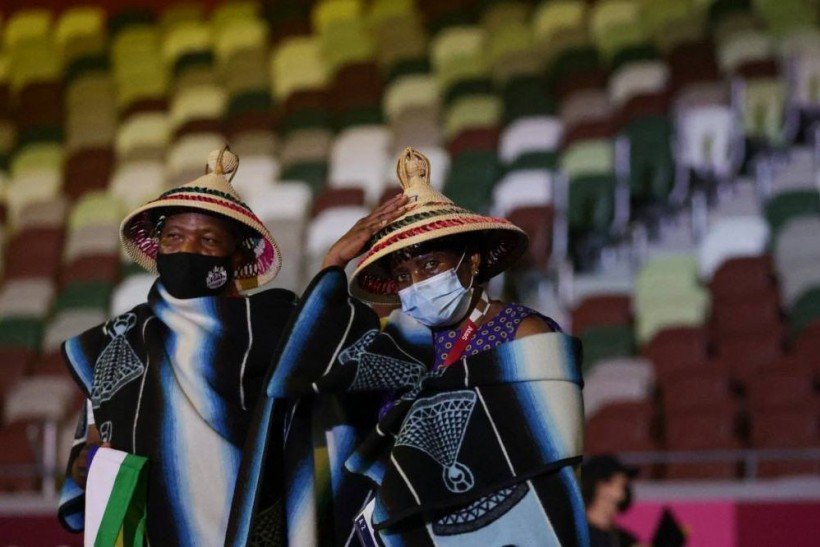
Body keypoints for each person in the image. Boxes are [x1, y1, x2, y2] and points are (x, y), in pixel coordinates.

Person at [232, 148, 588, 546]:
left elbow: (554, 451)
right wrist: (334, 262)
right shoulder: (402, 346)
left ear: (472, 262)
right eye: (403, 275)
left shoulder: (524, 332)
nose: (417, 282)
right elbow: (308, 371)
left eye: (431, 265)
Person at [57, 148, 302, 545]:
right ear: (158, 247)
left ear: (237, 256)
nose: (188, 250)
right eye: (174, 236)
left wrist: (332, 264)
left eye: (208, 240)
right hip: (139, 534)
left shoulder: (269, 327)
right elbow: (86, 455)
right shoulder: (117, 339)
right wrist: (90, 463)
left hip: (246, 533)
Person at [581, 455, 643, 547]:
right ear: (599, 486)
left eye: (624, 486)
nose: (622, 495)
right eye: (619, 485)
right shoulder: (574, 534)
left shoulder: (624, 539)